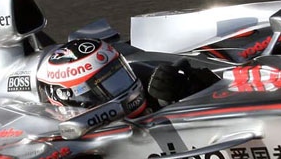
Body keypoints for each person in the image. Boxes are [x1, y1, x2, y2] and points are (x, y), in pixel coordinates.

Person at [34, 38, 209, 130]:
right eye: (104, 88)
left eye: (121, 76)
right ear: (66, 95)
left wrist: (189, 87)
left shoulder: (149, 82)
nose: (122, 88)